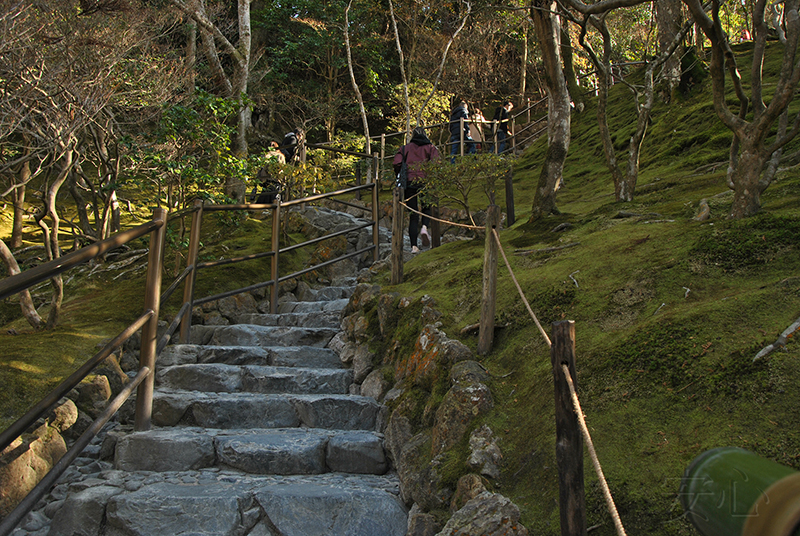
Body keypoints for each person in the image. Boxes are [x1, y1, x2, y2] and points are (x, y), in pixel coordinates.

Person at [393, 127, 441, 253]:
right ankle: (424, 228)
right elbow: (436, 163)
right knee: (426, 208)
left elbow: (396, 163)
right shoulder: (430, 148)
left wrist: (402, 172)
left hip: (409, 183)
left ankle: (414, 246)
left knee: (413, 215)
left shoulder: (405, 148)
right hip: (425, 182)